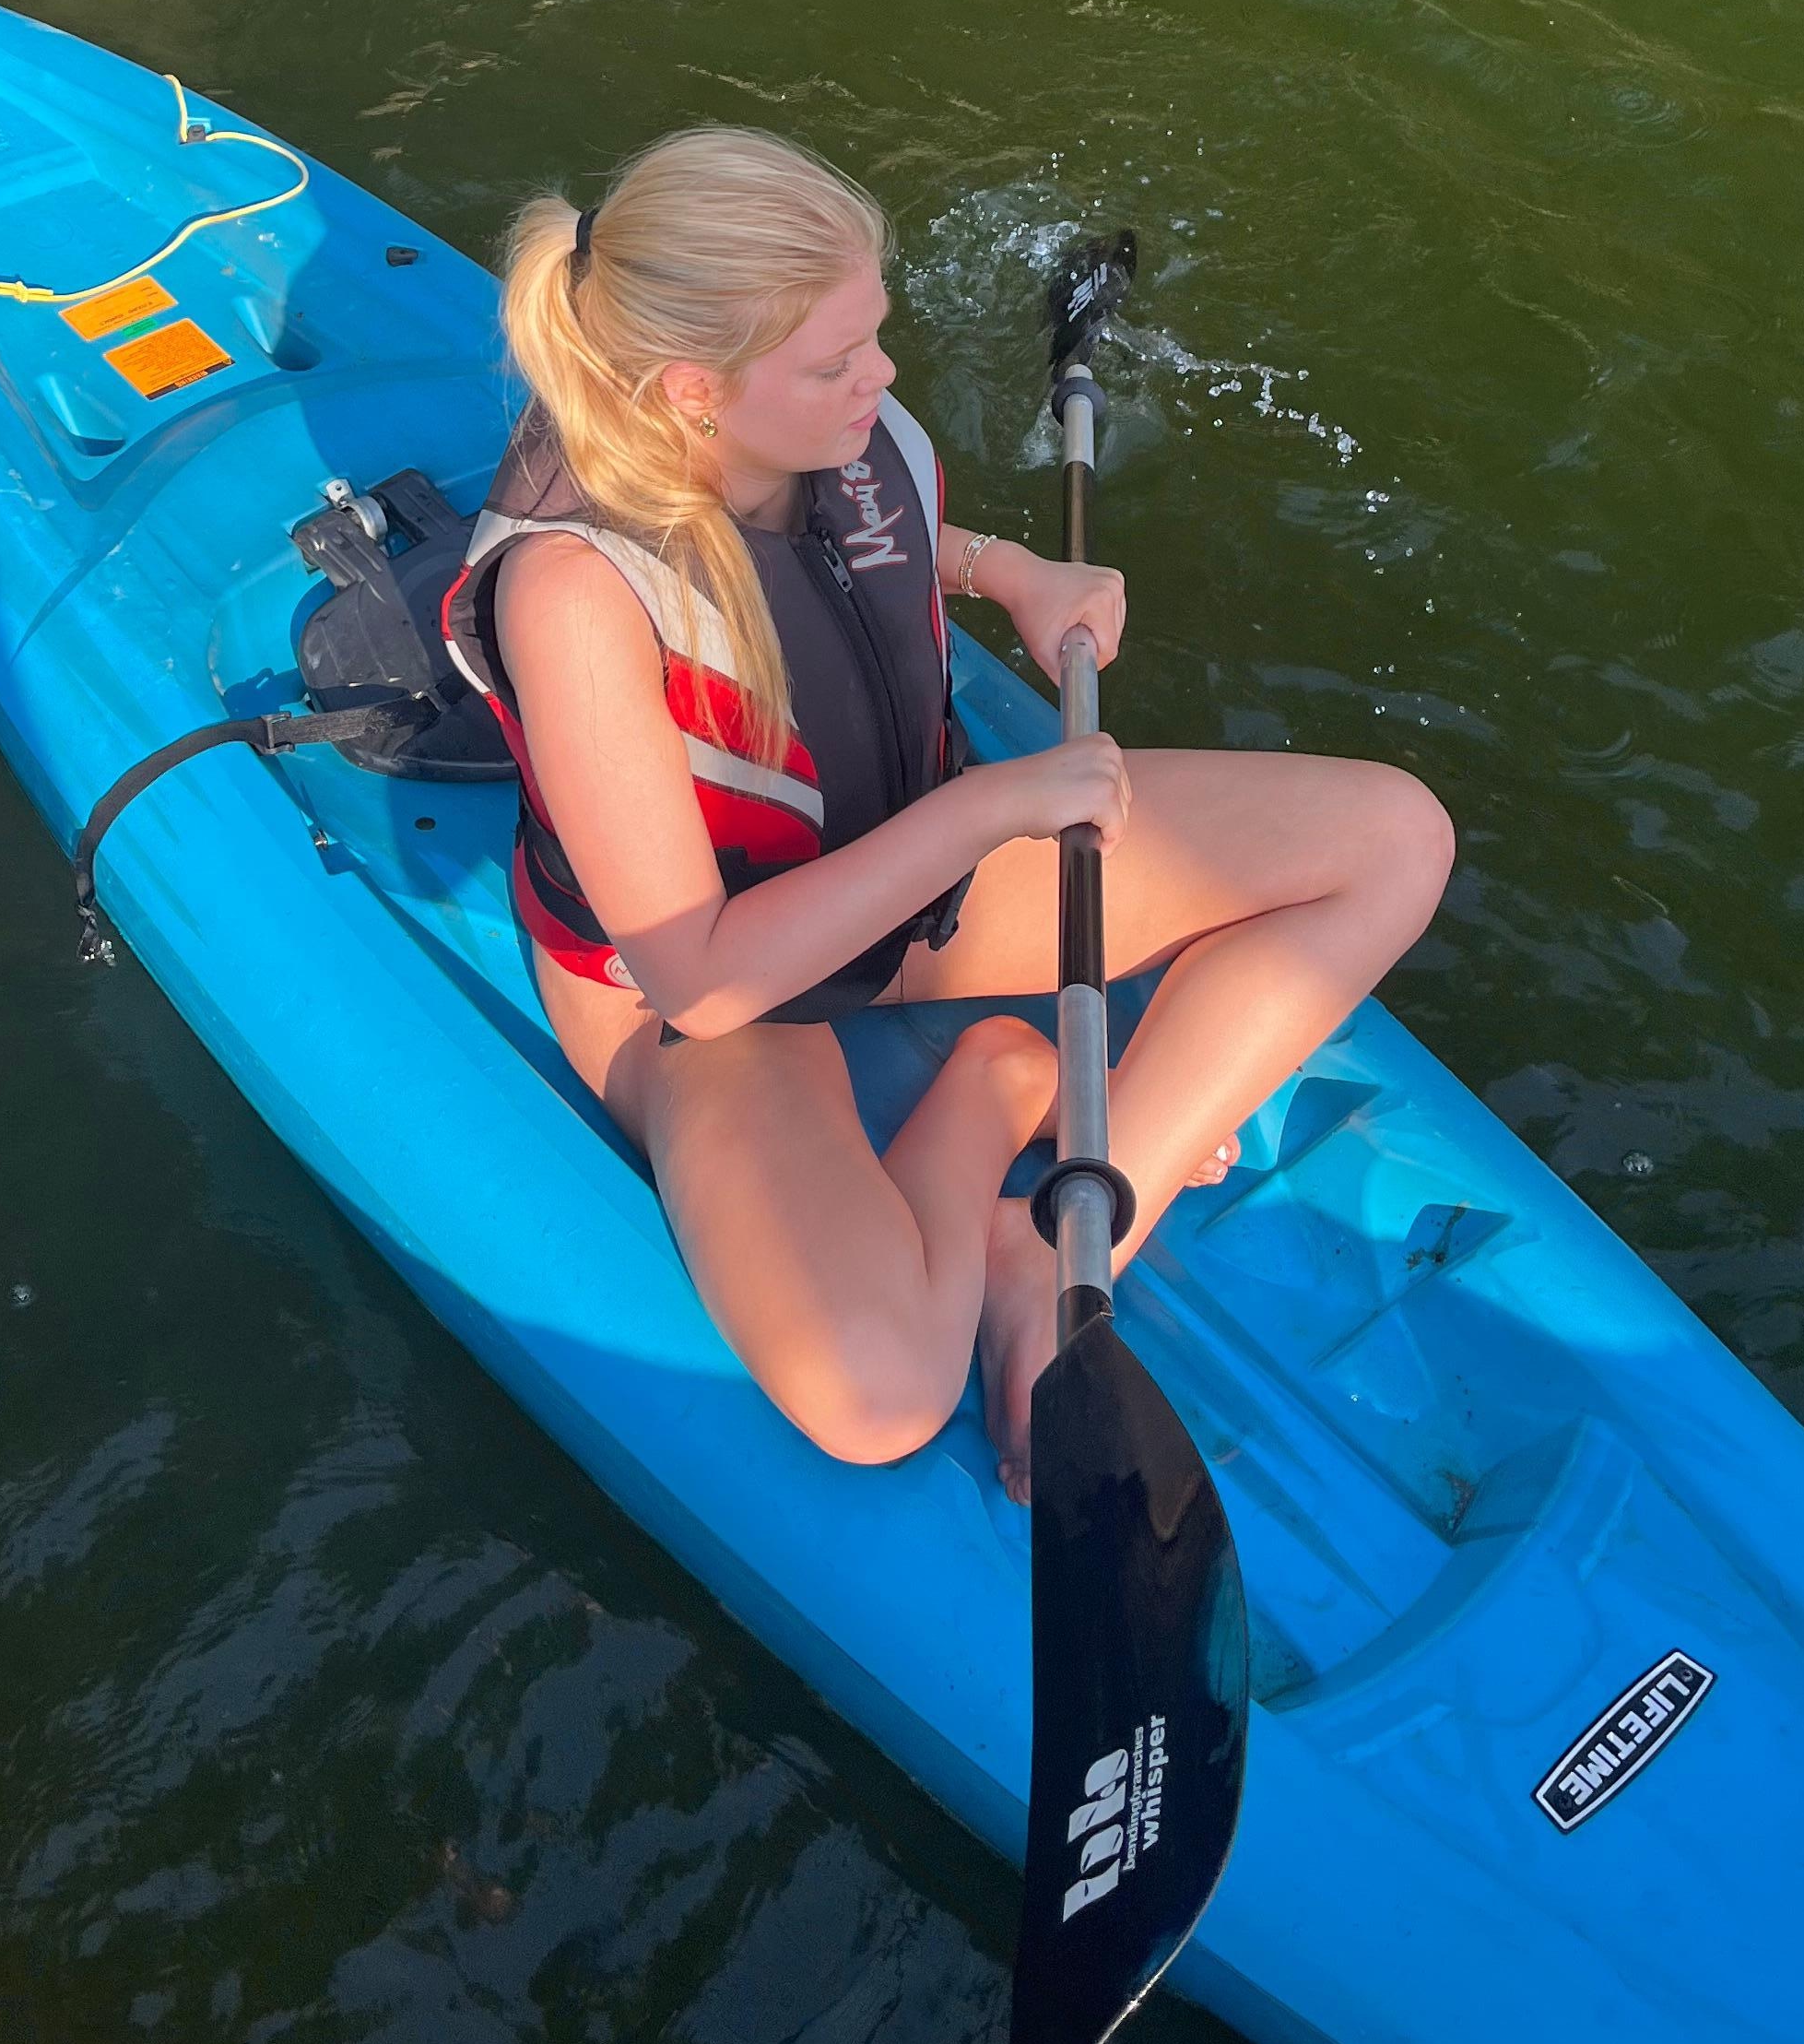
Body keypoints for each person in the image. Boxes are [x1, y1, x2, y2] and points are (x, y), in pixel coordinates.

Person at [443, 127, 1453, 1499]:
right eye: (839, 361)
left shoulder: (834, 435)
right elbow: (707, 971)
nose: (887, 375)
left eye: (878, 331)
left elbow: (867, 550)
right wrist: (987, 811)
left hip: (917, 889)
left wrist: (1010, 569)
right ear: (692, 392)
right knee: (879, 1403)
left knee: (1393, 835)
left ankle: (1060, 1243)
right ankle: (994, 1083)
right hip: (716, 1003)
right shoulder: (576, 596)